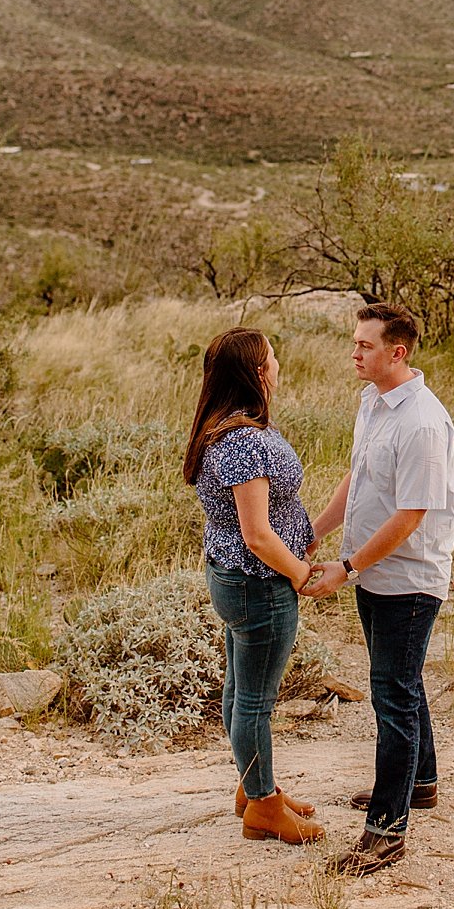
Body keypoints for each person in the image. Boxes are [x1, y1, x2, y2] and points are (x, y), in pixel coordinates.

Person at [301, 303, 454, 876]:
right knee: (402, 682)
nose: (354, 353)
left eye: (365, 345)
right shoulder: (373, 400)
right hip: (373, 570)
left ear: (399, 351)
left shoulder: (422, 422)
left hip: (407, 580)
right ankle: (421, 783)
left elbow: (412, 515)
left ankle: (387, 832)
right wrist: (316, 532)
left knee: (391, 695)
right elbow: (358, 476)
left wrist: (348, 567)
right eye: (354, 342)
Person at [182, 327, 324, 845]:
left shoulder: (222, 428)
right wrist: (301, 572)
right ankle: (263, 809)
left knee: (240, 687)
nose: (279, 364)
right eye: (273, 357)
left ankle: (254, 784)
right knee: (255, 700)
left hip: (232, 577)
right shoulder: (244, 442)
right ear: (258, 372)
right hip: (259, 583)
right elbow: (258, 534)